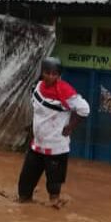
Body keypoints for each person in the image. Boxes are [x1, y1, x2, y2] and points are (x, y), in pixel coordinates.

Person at [17, 57, 90, 204]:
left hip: (56, 149)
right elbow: (37, 111)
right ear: (42, 73)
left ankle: (54, 210)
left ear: (59, 75)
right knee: (24, 188)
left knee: (54, 190)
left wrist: (70, 127)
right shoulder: (37, 88)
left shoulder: (66, 92)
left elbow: (84, 109)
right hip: (36, 146)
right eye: (47, 73)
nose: (51, 77)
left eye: (55, 74)